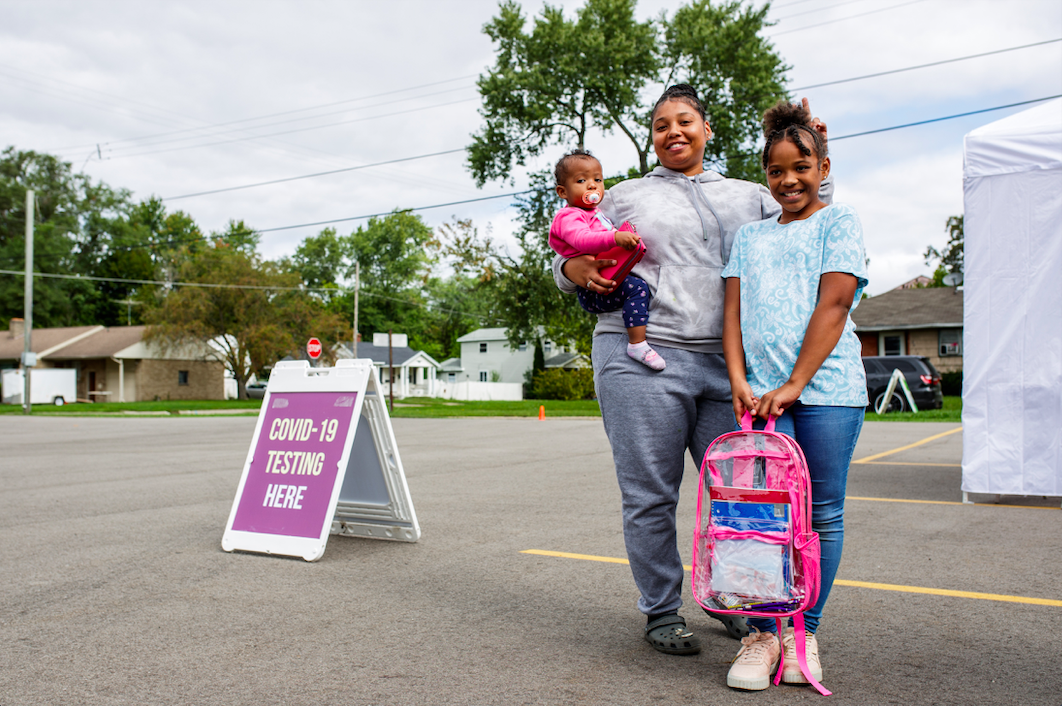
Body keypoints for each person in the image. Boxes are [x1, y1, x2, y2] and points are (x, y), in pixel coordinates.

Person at [552, 85, 832, 656]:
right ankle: (661, 611)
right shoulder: (624, 194)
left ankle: (732, 597)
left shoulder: (750, 195)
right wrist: (575, 271)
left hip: (727, 366)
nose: (672, 132)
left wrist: (819, 149)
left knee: (744, 493)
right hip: (641, 356)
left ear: (707, 129)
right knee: (652, 494)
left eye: (684, 121)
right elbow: (567, 245)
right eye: (660, 125)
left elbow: (808, 210)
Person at [720, 100, 867, 691]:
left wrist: (796, 384)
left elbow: (834, 305)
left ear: (822, 166)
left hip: (827, 393)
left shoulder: (840, 222)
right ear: (766, 175)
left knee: (820, 514)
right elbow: (730, 314)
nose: (789, 180)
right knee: (758, 520)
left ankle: (801, 630)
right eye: (777, 170)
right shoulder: (748, 237)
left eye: (801, 166)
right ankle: (760, 633)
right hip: (759, 401)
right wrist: (739, 378)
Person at [549, 149, 664, 371]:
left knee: (637, 286)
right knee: (638, 289)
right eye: (581, 180)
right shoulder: (569, 216)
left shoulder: (594, 212)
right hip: (593, 290)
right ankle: (637, 344)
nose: (592, 185)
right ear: (563, 191)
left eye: (597, 179)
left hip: (605, 277)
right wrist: (615, 237)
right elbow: (583, 240)